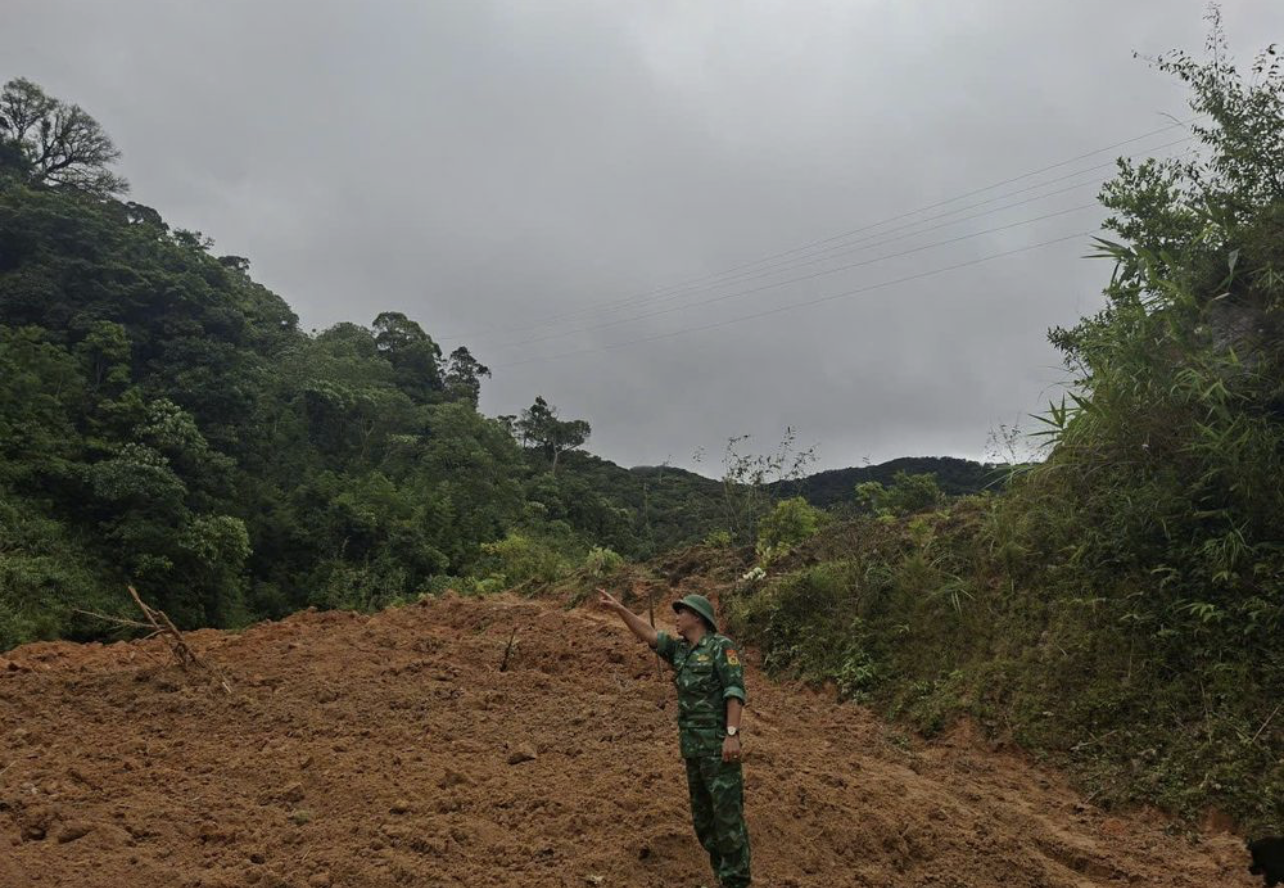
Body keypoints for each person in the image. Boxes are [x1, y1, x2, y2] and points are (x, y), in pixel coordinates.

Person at [597, 587, 752, 888]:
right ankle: (723, 877)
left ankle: (736, 881)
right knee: (704, 823)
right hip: (693, 750)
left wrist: (732, 735)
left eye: (680, 613)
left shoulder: (722, 648)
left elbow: (735, 692)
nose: (676, 619)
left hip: (719, 750)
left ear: (697, 616)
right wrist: (619, 609)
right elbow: (650, 635)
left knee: (728, 820)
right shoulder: (680, 651)